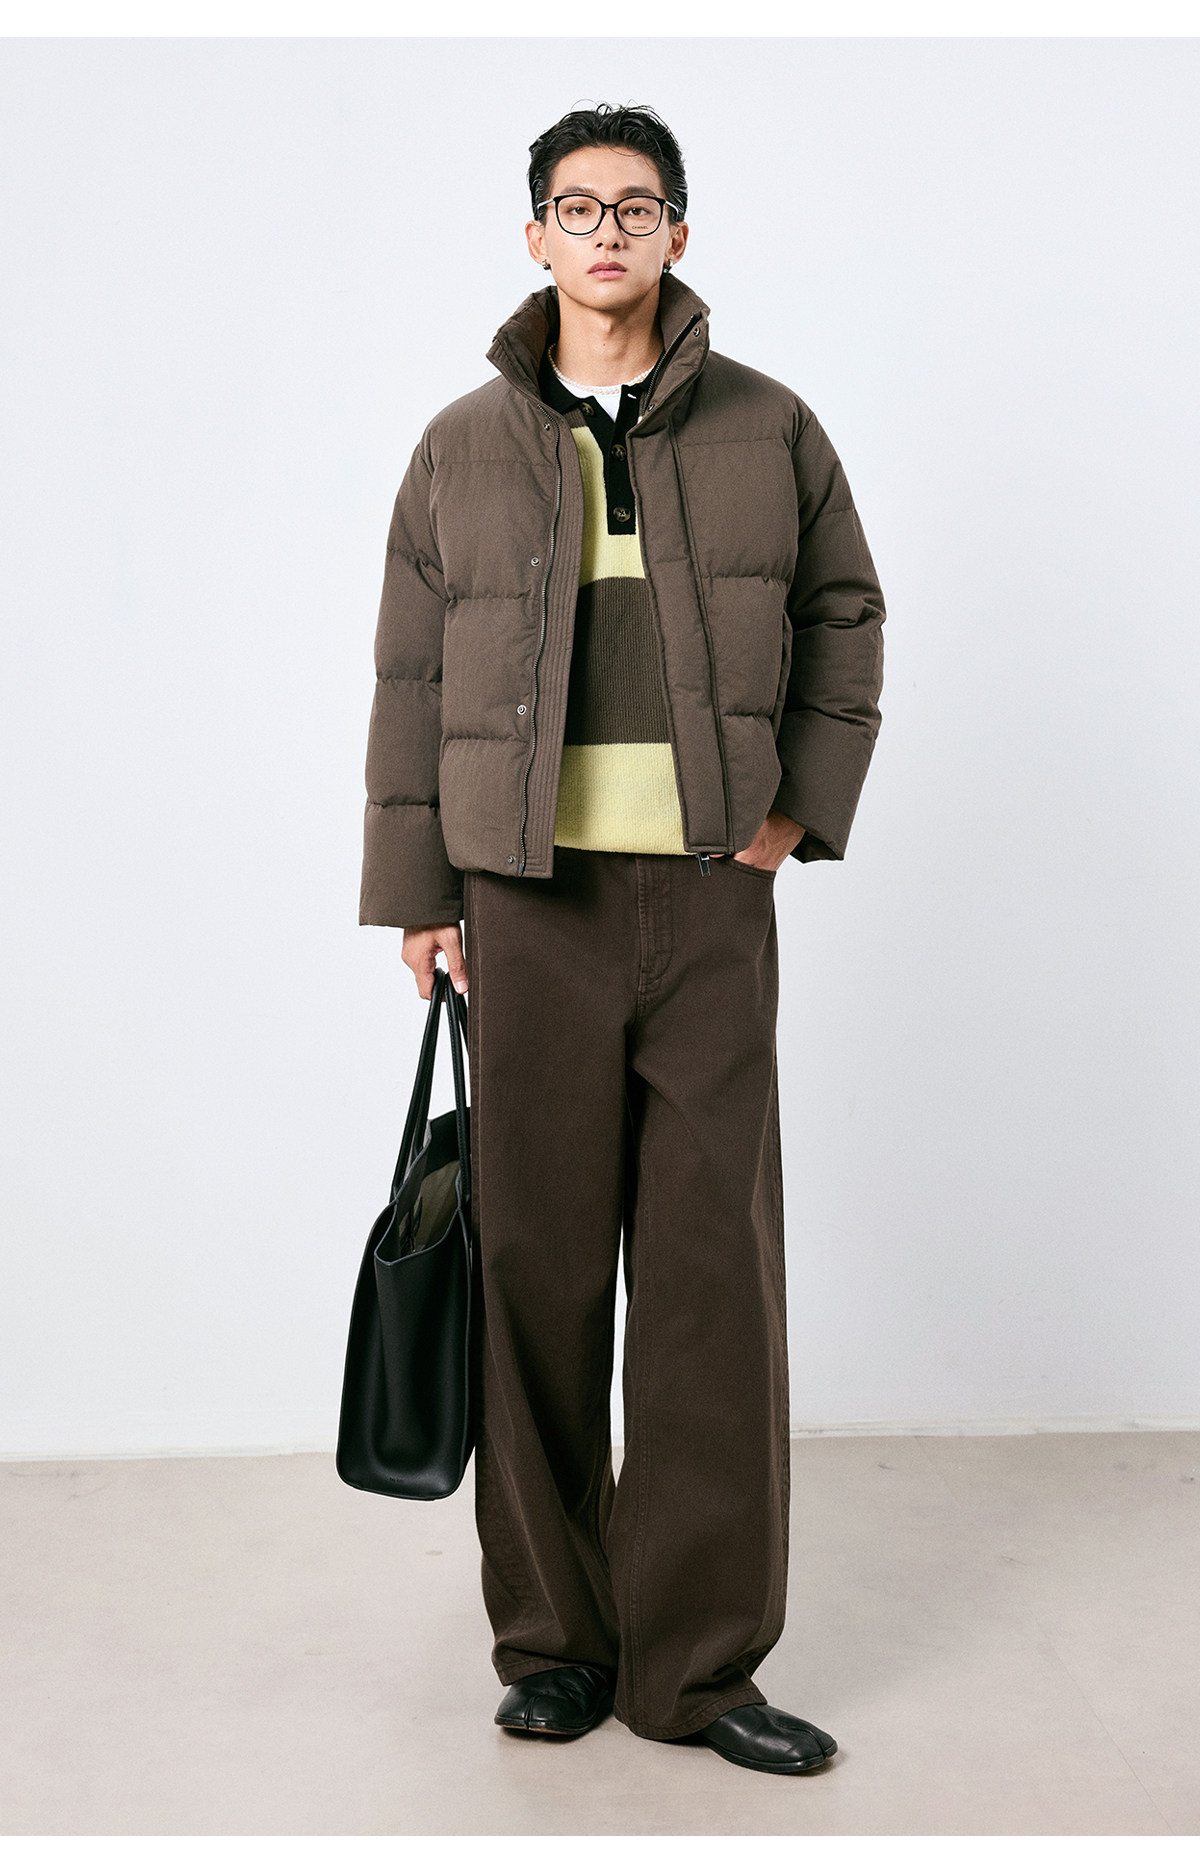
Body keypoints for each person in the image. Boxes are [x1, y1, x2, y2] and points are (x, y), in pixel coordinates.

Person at [359, 103, 884, 1777]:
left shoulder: (770, 424)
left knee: (714, 1280)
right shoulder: (459, 446)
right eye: (577, 209)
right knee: (535, 1271)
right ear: (535, 237)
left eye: (636, 207)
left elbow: (846, 616)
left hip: (709, 895)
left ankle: (701, 1666)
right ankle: (554, 1645)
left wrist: (792, 814)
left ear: (677, 233)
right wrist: (421, 893)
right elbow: (411, 677)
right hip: (528, 902)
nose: (607, 233)